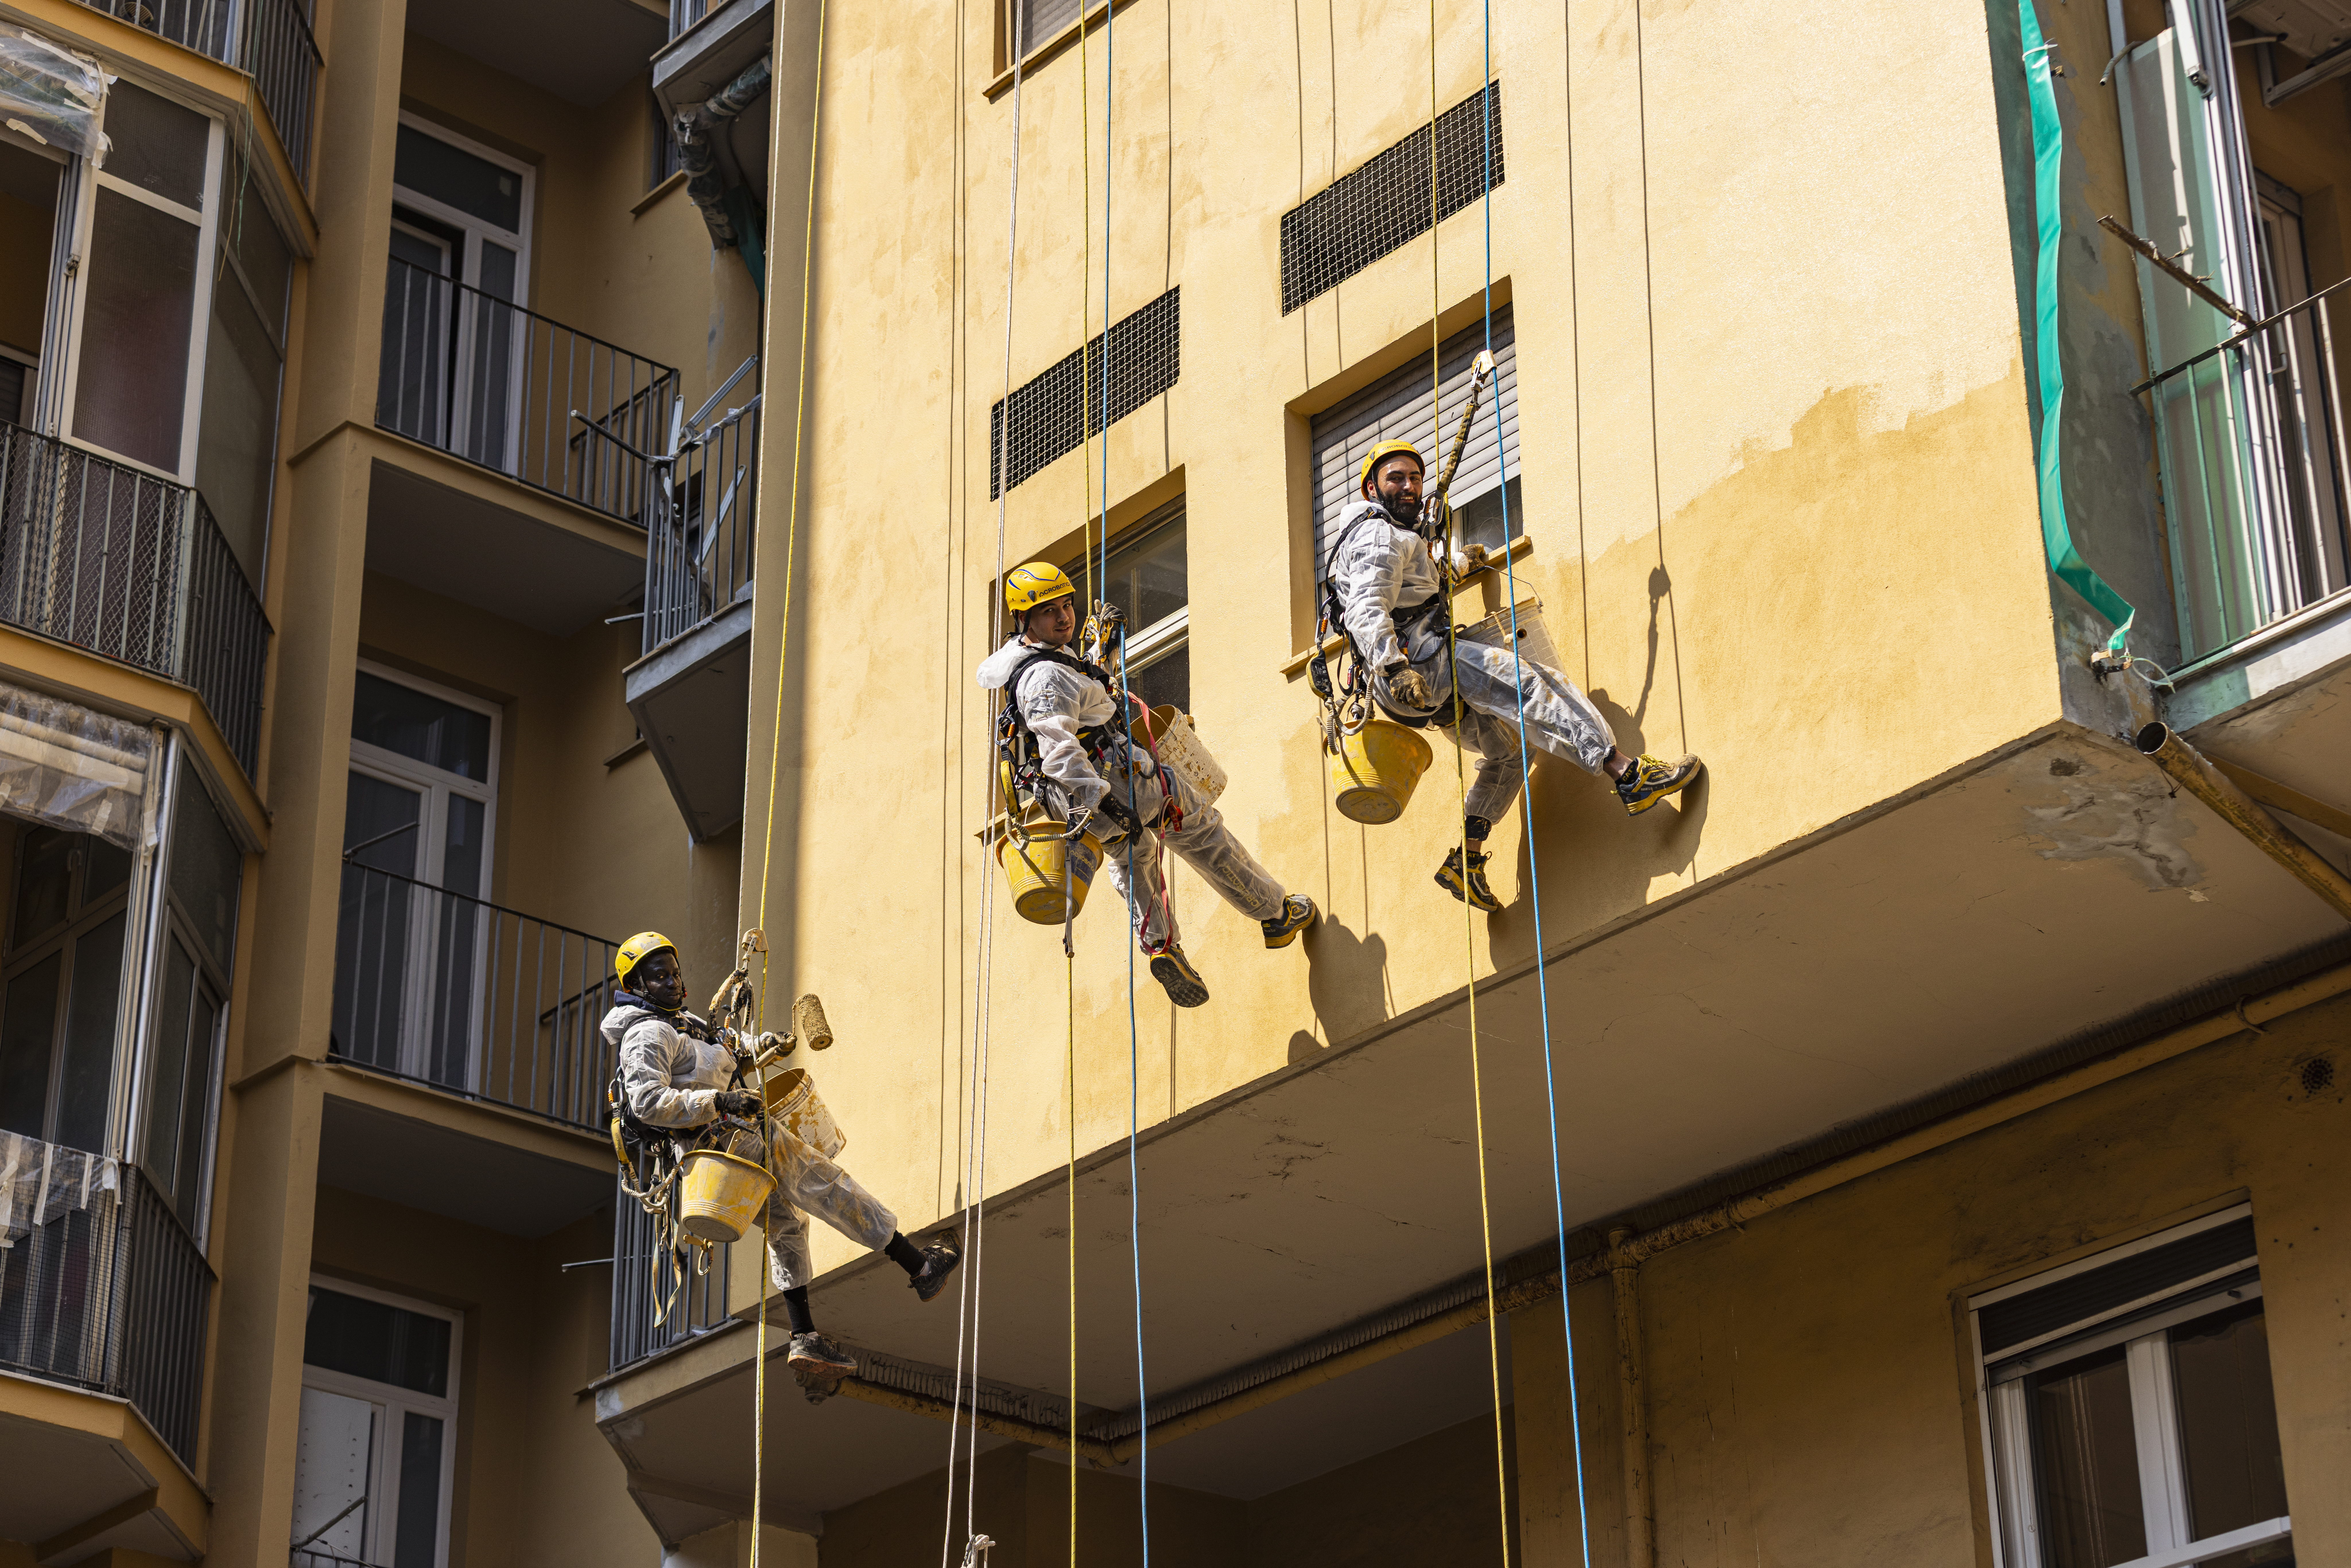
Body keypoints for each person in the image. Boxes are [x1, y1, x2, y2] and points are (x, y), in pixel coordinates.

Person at [1325, 440, 1702, 912]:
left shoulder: (1392, 536)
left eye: (1415, 479)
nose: (1409, 487)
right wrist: (1396, 667)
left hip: (1418, 684)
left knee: (1509, 751)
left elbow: (1417, 579)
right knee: (1533, 685)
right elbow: (1367, 606)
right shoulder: (1376, 535)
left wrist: (1464, 564)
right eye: (1396, 478)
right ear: (1370, 488)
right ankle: (1629, 774)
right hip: (1420, 665)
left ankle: (1467, 857)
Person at [604, 932, 957, 1392]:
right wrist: (723, 1100)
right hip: (728, 1138)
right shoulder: (647, 1033)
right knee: (823, 1183)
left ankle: (804, 1336)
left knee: (787, 1225)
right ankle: (919, 1265)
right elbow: (649, 1102)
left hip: (723, 1147)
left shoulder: (680, 1024)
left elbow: (721, 1048)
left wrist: (766, 1043)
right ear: (635, 986)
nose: (671, 982)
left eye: (674, 973)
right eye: (658, 977)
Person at [978, 562, 1317, 1007]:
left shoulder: (1039, 663)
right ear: (1026, 619)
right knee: (1201, 831)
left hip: (1083, 800)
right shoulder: (1045, 677)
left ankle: (1162, 947)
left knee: (1132, 858)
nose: (1064, 617)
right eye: (1049, 611)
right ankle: (1275, 913)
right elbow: (1060, 748)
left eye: (1067, 606)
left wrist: (1101, 655)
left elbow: (1085, 704)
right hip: (1111, 782)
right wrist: (1101, 798)